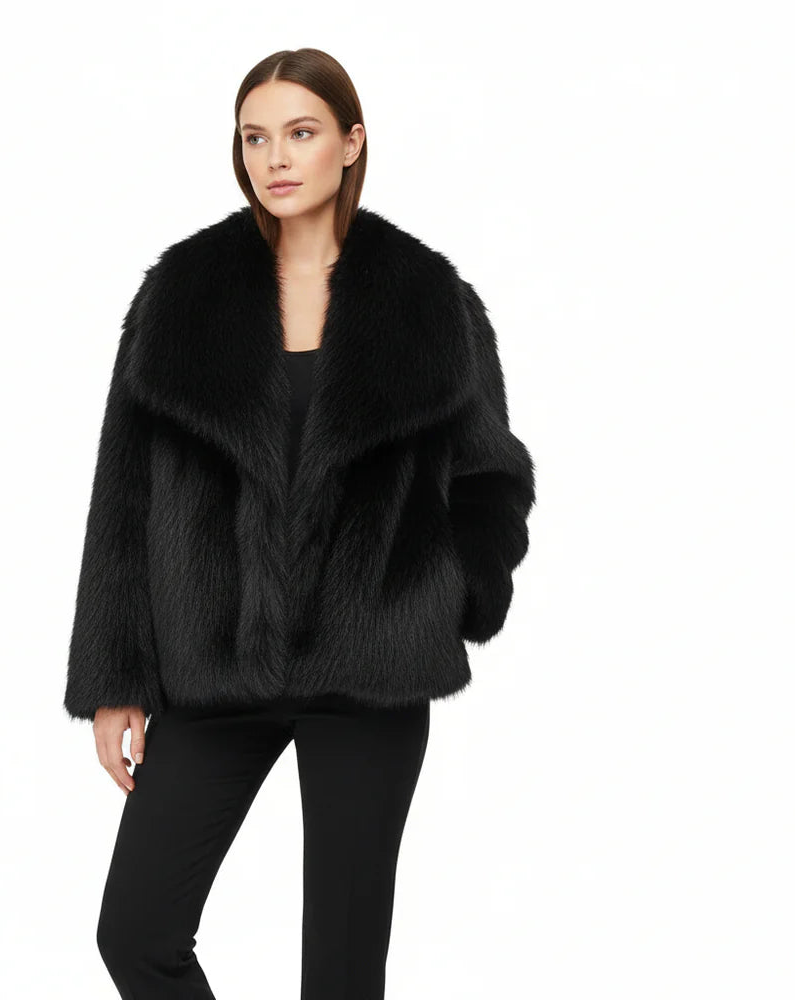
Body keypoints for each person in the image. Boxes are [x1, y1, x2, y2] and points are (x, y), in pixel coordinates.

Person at [64, 47, 536, 1000]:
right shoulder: (181, 296)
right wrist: (116, 677)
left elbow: (492, 475)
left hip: (370, 669)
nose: (274, 158)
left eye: (301, 132)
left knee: (343, 975)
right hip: (213, 662)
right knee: (137, 932)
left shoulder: (428, 300)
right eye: (255, 137)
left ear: (351, 144)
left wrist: (453, 597)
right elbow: (123, 493)